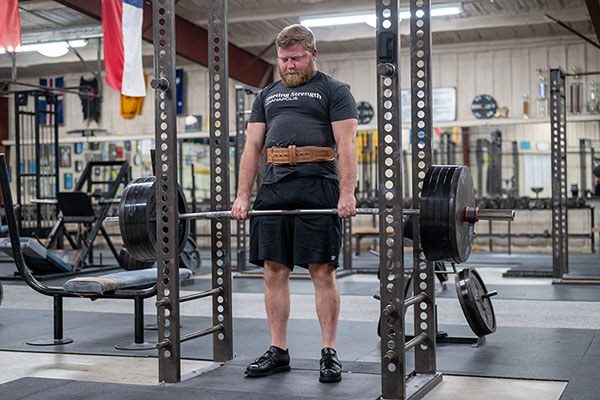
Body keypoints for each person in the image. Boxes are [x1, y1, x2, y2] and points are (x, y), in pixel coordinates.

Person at [231, 24, 358, 383]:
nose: (289, 65)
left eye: (296, 58)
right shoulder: (267, 95)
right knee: (273, 270)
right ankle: (278, 350)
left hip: (318, 183)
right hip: (273, 185)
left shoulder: (334, 90)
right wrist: (242, 195)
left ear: (313, 55)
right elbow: (252, 147)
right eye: (284, 59)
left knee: (322, 270)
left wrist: (347, 193)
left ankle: (328, 352)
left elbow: (346, 145)